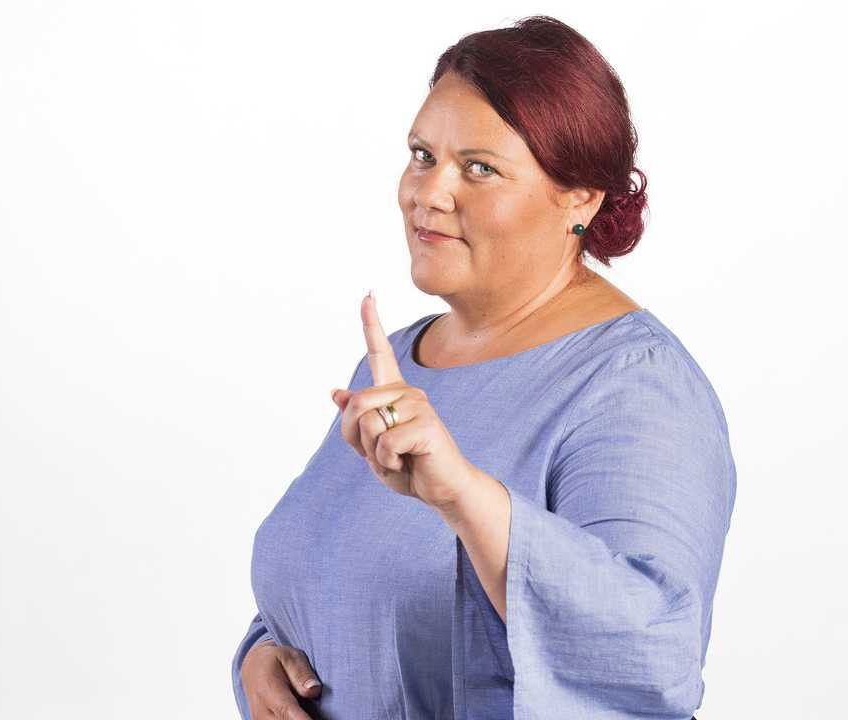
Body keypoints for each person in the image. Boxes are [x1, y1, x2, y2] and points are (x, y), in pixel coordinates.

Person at [232, 15, 735, 720]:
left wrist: (464, 496)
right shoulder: (398, 361)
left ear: (580, 198)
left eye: (479, 168)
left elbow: (652, 655)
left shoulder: (635, 386)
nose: (429, 193)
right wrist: (262, 657)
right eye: (422, 155)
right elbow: (346, 577)